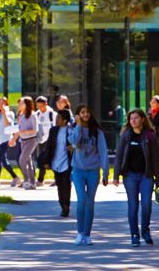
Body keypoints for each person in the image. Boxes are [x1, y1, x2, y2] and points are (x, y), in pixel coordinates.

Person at [114, 109, 159, 247]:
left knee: (147, 204)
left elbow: (156, 160)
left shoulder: (150, 136)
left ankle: (145, 231)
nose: (133, 121)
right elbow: (119, 156)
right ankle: (134, 234)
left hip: (146, 176)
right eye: (131, 119)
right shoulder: (125, 136)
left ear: (142, 119)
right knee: (133, 206)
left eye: (136, 118)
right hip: (130, 176)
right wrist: (116, 175)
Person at [67, 105, 109, 246]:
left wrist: (106, 172)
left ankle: (87, 234)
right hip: (78, 170)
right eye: (82, 112)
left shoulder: (97, 132)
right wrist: (78, 125)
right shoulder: (73, 129)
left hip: (93, 170)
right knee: (81, 200)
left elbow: (103, 152)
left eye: (87, 112)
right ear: (78, 115)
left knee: (90, 202)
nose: (85, 114)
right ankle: (79, 233)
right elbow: (74, 142)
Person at [38, 109, 73, 217]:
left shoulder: (71, 130)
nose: (56, 120)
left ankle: (66, 206)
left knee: (66, 185)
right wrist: (47, 161)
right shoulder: (53, 130)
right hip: (56, 162)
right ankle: (62, 205)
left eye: (58, 118)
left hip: (67, 162)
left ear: (65, 120)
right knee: (59, 185)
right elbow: (49, 147)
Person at [0, 97, 19, 188]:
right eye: (0, 103)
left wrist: (4, 113)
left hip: (6, 139)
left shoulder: (10, 113)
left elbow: (8, 125)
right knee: (3, 161)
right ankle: (15, 177)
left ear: (6, 104)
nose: (1, 104)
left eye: (3, 103)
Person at [12, 97, 39, 190]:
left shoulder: (33, 115)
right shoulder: (21, 115)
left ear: (27, 104)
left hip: (32, 140)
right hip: (23, 140)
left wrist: (24, 131)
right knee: (28, 161)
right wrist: (13, 139)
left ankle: (27, 180)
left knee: (22, 160)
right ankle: (32, 182)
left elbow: (35, 130)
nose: (19, 105)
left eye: (22, 103)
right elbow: (19, 130)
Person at [33, 96, 57, 187]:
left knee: (53, 159)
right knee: (42, 160)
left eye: (41, 106)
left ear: (46, 104)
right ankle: (40, 180)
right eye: (38, 106)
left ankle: (57, 179)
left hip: (51, 140)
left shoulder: (52, 114)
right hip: (41, 140)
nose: (40, 108)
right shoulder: (37, 114)